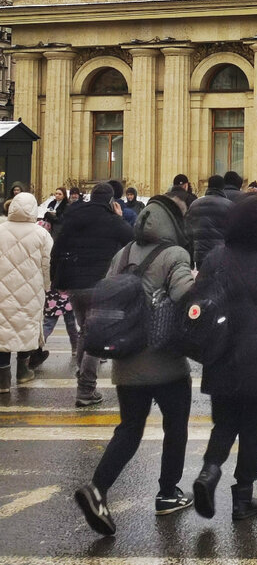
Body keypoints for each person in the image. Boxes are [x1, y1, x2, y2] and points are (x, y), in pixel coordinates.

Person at [73, 200, 195, 535]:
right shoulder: (175, 255)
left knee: (129, 429)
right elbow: (185, 294)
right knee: (175, 427)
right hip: (166, 362)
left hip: (125, 361)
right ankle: (168, 494)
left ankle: (98, 488)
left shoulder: (123, 253)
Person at [191, 195, 257, 522]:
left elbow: (199, 304)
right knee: (253, 430)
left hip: (220, 356)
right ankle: (243, 499)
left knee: (224, 424)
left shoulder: (215, 258)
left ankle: (208, 472)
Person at [51, 181, 134, 406]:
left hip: (75, 286)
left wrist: (55, 280)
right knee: (95, 337)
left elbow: (57, 250)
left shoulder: (74, 215)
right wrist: (119, 217)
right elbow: (132, 239)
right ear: (110, 200)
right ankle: (86, 389)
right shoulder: (111, 221)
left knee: (85, 333)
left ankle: (82, 376)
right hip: (100, 284)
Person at [0, 193, 52, 392]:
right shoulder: (41, 234)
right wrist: (47, 286)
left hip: (2, 290)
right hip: (31, 290)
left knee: (3, 330)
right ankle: (23, 372)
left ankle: (3, 380)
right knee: (26, 328)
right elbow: (48, 264)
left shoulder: (1, 229)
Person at [186, 175, 232, 270]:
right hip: (221, 254)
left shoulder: (195, 204)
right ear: (222, 187)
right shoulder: (229, 205)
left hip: (200, 255)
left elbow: (187, 231)